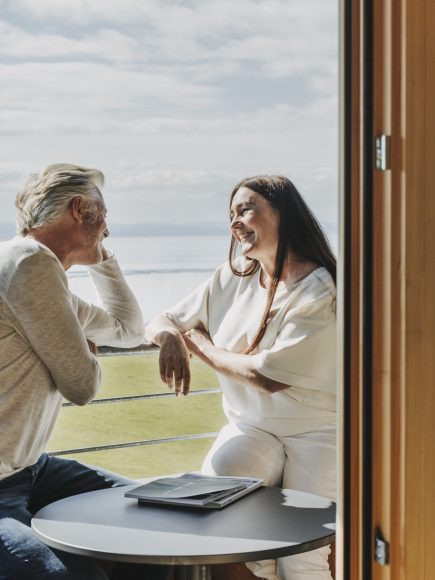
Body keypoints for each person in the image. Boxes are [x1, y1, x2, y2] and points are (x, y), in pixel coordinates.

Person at [146, 175, 337, 580]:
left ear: (285, 215)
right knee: (233, 527)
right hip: (251, 425)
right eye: (231, 213)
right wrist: (169, 338)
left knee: (301, 555)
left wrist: (199, 345)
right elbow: (163, 318)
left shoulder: (322, 290)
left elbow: (267, 375)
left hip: (318, 431)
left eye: (246, 209)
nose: (235, 222)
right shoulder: (231, 277)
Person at [0, 164, 168, 580]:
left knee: (155, 513)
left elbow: (129, 330)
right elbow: (81, 386)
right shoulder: (29, 263)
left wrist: (101, 259)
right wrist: (82, 356)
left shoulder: (41, 272)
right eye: (104, 217)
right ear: (80, 209)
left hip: (29, 469)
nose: (107, 230)